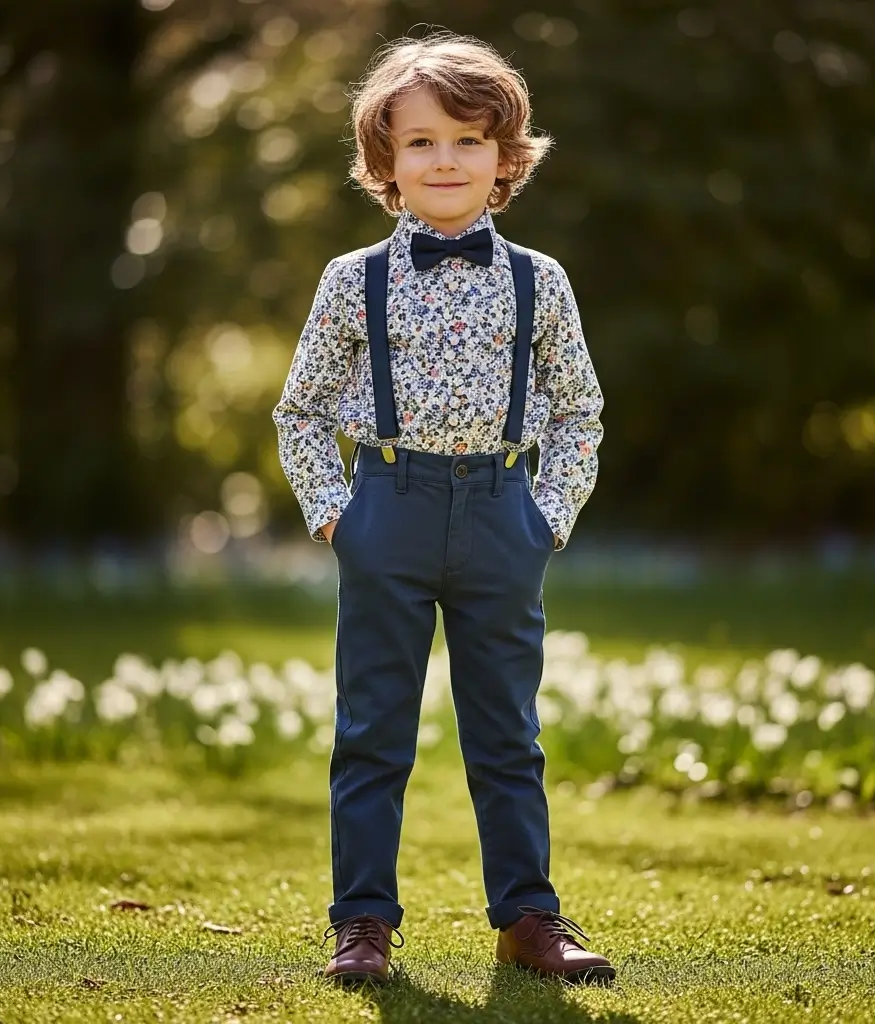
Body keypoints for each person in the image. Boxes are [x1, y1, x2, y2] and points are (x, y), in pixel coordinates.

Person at [273, 31, 609, 986]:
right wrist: (337, 514)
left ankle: (529, 919)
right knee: (372, 729)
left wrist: (549, 514)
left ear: (507, 159)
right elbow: (299, 408)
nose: (445, 160)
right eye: (420, 142)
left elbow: (579, 405)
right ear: (385, 162)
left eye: (467, 141)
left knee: (506, 731)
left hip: (504, 513)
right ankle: (362, 927)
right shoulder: (354, 281)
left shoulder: (540, 281)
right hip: (388, 507)